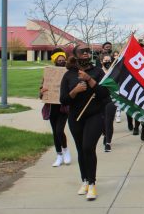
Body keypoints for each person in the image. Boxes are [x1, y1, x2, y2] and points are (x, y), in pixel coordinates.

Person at [60, 44, 111, 200]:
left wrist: (89, 80)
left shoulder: (97, 72)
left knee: (88, 147)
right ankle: (85, 180)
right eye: (82, 52)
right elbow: (63, 100)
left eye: (88, 52)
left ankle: (92, 183)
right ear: (75, 55)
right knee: (81, 150)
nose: (86, 54)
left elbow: (105, 94)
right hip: (75, 118)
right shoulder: (68, 75)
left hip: (94, 116)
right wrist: (75, 91)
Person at [39, 48, 71, 167]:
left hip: (63, 108)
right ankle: (59, 155)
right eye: (59, 60)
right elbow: (41, 92)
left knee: (59, 130)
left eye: (63, 60)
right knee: (55, 132)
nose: (62, 62)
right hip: (51, 107)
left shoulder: (67, 73)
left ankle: (66, 150)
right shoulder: (48, 74)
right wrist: (42, 91)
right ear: (55, 61)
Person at [101, 54, 116, 152]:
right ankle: (105, 134)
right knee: (102, 121)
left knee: (108, 120)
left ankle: (108, 143)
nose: (107, 62)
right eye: (105, 60)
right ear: (102, 61)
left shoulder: (114, 72)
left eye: (109, 60)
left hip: (111, 100)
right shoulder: (98, 72)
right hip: (100, 100)